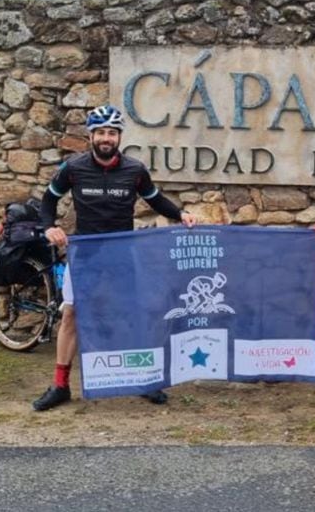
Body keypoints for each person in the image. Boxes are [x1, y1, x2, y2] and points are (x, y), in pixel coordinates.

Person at [32, 105, 198, 412]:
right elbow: (49, 199)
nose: (106, 138)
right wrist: (49, 226)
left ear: (119, 136)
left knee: (134, 315)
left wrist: (181, 213)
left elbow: (155, 200)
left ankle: (145, 380)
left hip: (123, 253)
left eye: (112, 133)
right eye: (100, 133)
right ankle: (60, 385)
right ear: (91, 136)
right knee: (71, 315)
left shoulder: (134, 170)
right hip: (86, 253)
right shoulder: (73, 168)